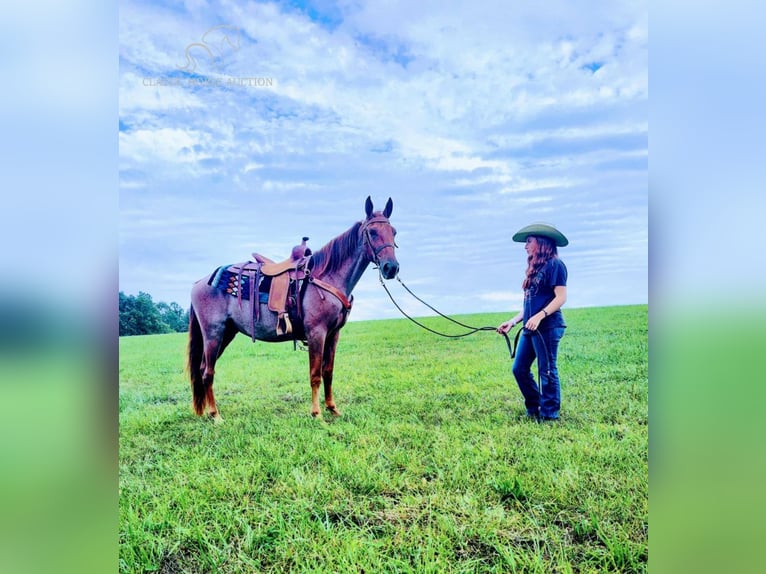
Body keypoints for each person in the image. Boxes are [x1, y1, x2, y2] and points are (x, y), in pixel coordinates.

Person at [497, 223, 568, 421]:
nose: (525, 246)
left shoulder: (555, 265)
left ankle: (549, 415)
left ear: (541, 242)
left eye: (529, 242)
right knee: (519, 369)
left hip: (548, 326)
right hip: (530, 327)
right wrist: (512, 321)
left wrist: (540, 316)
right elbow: (530, 304)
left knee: (546, 370)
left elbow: (561, 297)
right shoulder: (535, 268)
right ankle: (534, 405)